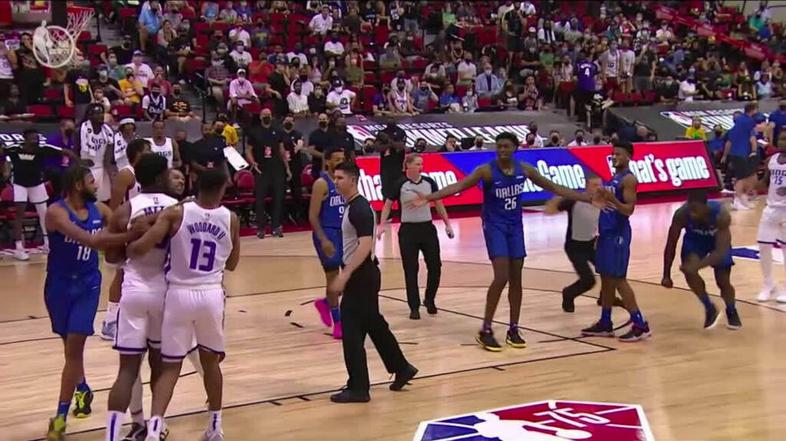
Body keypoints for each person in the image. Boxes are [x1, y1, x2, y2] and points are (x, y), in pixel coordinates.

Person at [413, 132, 595, 351]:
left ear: (515, 148)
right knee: (501, 276)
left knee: (516, 279)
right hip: (495, 226)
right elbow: (458, 187)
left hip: (515, 227)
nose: (502, 150)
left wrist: (586, 197)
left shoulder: (524, 169)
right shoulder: (486, 171)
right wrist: (429, 198)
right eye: (499, 146)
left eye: (506, 146)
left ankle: (513, 329)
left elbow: (554, 188)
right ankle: (486, 329)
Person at [127, 167, 239, 441]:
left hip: (178, 294)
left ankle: (154, 431)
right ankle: (215, 427)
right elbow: (233, 264)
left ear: (195, 186)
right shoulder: (231, 218)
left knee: (170, 366)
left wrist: (130, 244)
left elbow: (141, 247)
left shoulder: (177, 213)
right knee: (211, 363)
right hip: (211, 294)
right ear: (222, 189)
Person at [45, 165, 145, 441]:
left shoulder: (100, 210)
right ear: (78, 185)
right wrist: (130, 235)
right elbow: (90, 240)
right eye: (91, 181)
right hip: (58, 287)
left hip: (87, 286)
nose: (96, 185)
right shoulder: (56, 212)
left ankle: (60, 418)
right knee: (70, 350)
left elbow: (121, 224)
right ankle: (83, 388)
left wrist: (142, 224)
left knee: (74, 351)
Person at [327, 162, 417, 403]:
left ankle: (359, 387)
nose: (336, 182)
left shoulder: (359, 209)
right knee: (374, 324)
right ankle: (402, 367)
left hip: (361, 275)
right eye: (334, 177)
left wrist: (345, 275)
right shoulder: (354, 206)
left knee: (352, 332)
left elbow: (365, 245)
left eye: (340, 178)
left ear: (352, 180)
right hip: (364, 275)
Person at [103, 153, 179, 441]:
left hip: (134, 290)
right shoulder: (178, 208)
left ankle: (111, 435)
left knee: (126, 370)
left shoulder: (125, 210)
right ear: (160, 177)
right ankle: (156, 430)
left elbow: (111, 258)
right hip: (166, 293)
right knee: (160, 366)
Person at [581, 141, 651, 342]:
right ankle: (605, 323)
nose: (614, 157)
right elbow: (606, 206)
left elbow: (629, 210)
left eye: (619, 153)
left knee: (619, 278)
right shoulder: (613, 177)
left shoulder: (628, 179)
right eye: (613, 153)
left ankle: (640, 324)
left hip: (618, 235)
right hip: (606, 233)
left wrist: (611, 199)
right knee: (606, 278)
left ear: (629, 156)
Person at [377, 154, 454, 319]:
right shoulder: (400, 184)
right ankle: (414, 306)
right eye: (418, 164)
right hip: (408, 231)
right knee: (411, 269)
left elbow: (438, 203)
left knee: (435, 266)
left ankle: (429, 299)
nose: (421, 167)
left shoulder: (429, 182)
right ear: (408, 166)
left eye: (422, 164)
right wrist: (382, 225)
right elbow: (387, 205)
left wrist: (447, 224)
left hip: (427, 229)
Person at [661, 190, 741, 330]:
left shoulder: (721, 215)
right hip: (695, 241)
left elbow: (720, 252)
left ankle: (731, 310)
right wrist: (666, 274)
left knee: (723, 281)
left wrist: (697, 266)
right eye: (690, 209)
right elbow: (671, 244)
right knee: (689, 271)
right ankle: (709, 307)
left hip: (716, 242)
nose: (692, 214)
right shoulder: (682, 214)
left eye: (696, 210)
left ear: (705, 206)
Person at [101, 139, 153, 342]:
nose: (150, 152)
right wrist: (117, 233)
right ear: (136, 153)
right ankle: (110, 321)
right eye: (147, 150)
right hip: (127, 230)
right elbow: (114, 207)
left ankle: (135, 317)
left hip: (143, 231)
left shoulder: (146, 174)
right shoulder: (126, 174)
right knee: (121, 274)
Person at [0, 129, 75, 260]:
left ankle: (47, 243)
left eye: (37, 138)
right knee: (19, 215)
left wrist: (79, 162)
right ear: (25, 138)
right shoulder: (14, 149)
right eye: (33, 138)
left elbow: (65, 152)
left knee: (44, 214)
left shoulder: (43, 149)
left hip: (37, 184)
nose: (35, 140)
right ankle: (19, 248)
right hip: (20, 185)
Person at [543, 175, 603, 312]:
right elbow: (550, 210)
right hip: (575, 248)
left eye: (600, 185)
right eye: (594, 185)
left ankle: (604, 298)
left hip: (591, 245)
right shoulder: (575, 200)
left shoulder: (603, 201)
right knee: (588, 280)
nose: (598, 188)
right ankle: (568, 294)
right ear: (586, 186)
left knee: (608, 271)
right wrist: (556, 199)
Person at [310, 149, 347, 339]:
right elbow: (312, 215)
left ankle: (325, 302)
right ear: (327, 162)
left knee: (348, 277)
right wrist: (323, 239)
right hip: (328, 232)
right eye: (337, 159)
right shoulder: (321, 183)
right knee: (333, 277)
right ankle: (338, 322)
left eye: (343, 158)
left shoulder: (346, 181)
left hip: (345, 232)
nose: (341, 161)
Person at [246, 108, 291, 238]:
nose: (267, 116)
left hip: (277, 168)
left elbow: (282, 150)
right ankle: (261, 228)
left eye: (269, 115)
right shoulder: (254, 132)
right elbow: (249, 150)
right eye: (264, 115)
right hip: (261, 168)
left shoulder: (278, 131)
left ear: (272, 117)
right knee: (260, 199)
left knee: (278, 198)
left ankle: (276, 226)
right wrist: (253, 162)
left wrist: (287, 168)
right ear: (260, 117)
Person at [756, 132, 786, 302]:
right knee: (763, 246)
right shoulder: (772, 160)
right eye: (781, 139)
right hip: (771, 208)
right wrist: (754, 187)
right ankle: (769, 284)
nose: (783, 142)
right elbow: (766, 181)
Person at [721, 102, 759, 210]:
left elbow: (729, 142)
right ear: (753, 110)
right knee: (741, 178)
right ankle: (738, 200)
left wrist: (725, 156)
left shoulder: (737, 125)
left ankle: (742, 198)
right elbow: (754, 136)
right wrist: (754, 151)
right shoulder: (749, 121)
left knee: (747, 176)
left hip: (737, 153)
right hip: (740, 153)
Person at [77, 104, 115, 203]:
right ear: (89, 115)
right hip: (85, 169)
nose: (101, 115)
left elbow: (109, 154)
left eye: (102, 113)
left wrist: (110, 170)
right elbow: (75, 152)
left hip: (101, 168)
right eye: (97, 113)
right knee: (86, 200)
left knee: (103, 200)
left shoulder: (108, 131)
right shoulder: (81, 130)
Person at [376, 117, 408, 205]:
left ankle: (402, 212)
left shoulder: (401, 132)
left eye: (392, 118)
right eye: (388, 118)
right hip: (386, 169)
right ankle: (387, 213)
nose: (390, 120)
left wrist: (388, 140)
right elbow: (377, 148)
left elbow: (401, 147)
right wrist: (391, 144)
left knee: (401, 193)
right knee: (386, 194)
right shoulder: (382, 132)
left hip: (399, 168)